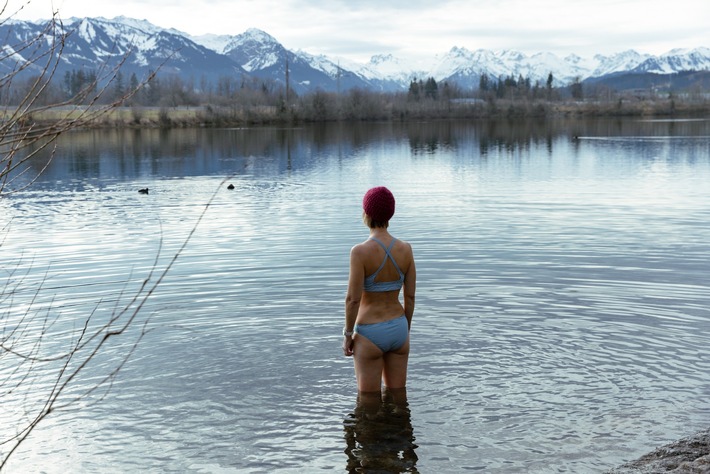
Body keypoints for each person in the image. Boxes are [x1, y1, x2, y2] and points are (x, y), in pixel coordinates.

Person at [343, 186, 416, 393]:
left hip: (369, 332)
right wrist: (404, 329)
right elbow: (410, 297)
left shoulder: (360, 252)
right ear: (390, 213)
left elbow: (352, 300)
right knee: (398, 396)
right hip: (399, 328)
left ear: (366, 213)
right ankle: (400, 425)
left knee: (368, 403)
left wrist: (348, 334)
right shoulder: (406, 249)